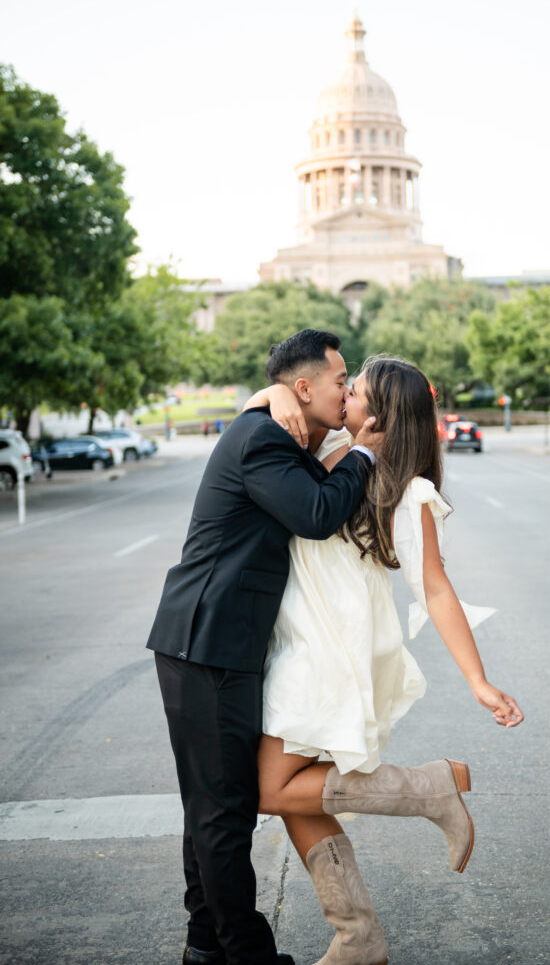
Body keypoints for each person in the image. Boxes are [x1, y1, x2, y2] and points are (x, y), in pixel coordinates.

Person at [246, 356, 524, 965]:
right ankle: (358, 939)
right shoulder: (332, 445)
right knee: (293, 793)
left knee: (270, 789)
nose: (342, 395)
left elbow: (437, 587)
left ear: (380, 415)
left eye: (356, 391)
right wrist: (274, 390)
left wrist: (478, 680)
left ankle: (428, 789)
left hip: (331, 652)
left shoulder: (409, 491)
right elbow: (279, 400)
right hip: (299, 644)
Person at [147, 330, 383, 965]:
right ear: (304, 388)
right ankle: (245, 953)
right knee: (225, 812)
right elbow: (316, 511)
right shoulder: (263, 438)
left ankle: (206, 945)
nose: (348, 391)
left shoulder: (280, 430)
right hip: (209, 641)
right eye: (340, 381)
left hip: (218, 641)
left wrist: (272, 394)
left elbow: (312, 482)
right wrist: (362, 452)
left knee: (213, 807)